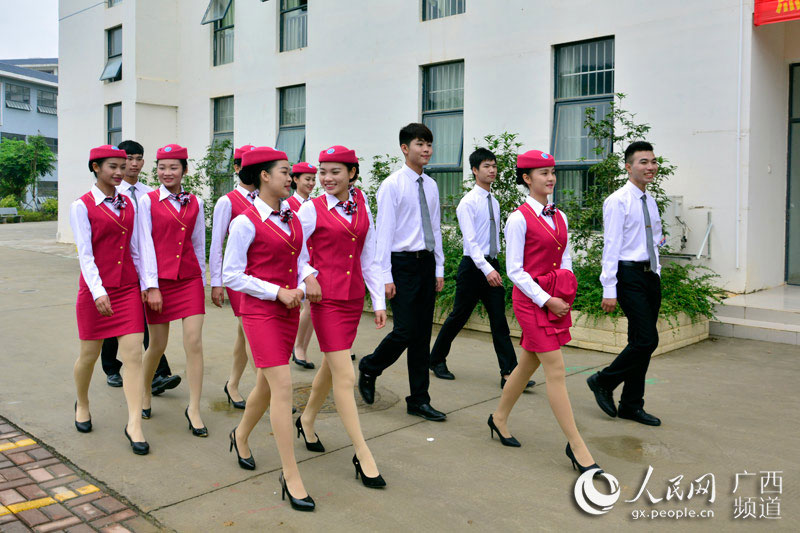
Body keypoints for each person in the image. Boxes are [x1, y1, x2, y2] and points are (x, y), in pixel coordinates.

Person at [488, 149, 602, 477]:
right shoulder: (518, 218)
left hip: (553, 298)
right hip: (530, 301)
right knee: (556, 368)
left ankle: (498, 418)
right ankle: (576, 445)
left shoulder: (560, 216)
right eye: (542, 173)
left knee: (526, 366)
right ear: (526, 179)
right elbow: (515, 271)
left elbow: (565, 259)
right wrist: (545, 299)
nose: (550, 178)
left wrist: (562, 292)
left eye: (552, 172)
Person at [223, 146, 319, 511]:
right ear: (264, 175)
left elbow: (302, 259)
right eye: (283, 171)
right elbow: (232, 275)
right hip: (259, 313)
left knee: (265, 384)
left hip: (288, 309)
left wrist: (308, 278)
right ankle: (291, 475)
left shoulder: (292, 216)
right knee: (282, 385)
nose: (290, 177)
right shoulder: (245, 221)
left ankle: (241, 434)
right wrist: (275, 291)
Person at [295, 145, 386, 488]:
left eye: (335, 171)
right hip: (326, 301)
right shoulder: (310, 210)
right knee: (345, 375)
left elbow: (370, 255)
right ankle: (363, 453)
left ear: (352, 173)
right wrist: (308, 275)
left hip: (352, 300)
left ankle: (306, 419)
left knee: (330, 369)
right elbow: (295, 251)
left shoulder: (362, 205)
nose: (326, 178)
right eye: (322, 172)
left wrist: (378, 301)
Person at [358, 123, 447, 422]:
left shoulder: (432, 186)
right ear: (405, 148)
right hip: (401, 264)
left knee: (422, 336)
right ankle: (370, 367)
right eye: (420, 143)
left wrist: (439, 267)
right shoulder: (392, 184)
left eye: (429, 144)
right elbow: (383, 234)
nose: (426, 149)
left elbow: (434, 227)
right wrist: (385, 276)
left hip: (425, 263)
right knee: (406, 330)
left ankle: (418, 399)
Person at [429, 148, 534, 391]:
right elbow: (471, 242)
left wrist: (495, 266)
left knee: (499, 320)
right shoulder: (468, 203)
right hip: (474, 267)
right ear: (475, 170)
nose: (492, 170)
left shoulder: (494, 202)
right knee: (458, 317)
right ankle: (435, 360)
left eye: (494, 166)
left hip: (491, 265)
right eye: (487, 166)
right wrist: (486, 269)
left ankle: (509, 373)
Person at [70, 144, 149, 455]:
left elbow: (137, 249)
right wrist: (98, 290)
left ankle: (134, 424)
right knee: (89, 355)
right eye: (112, 166)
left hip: (127, 288)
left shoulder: (129, 202)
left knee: (133, 356)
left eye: (122, 165)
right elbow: (85, 255)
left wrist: (147, 283)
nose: (119, 171)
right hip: (95, 290)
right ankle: (83, 401)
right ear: (96, 168)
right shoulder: (82, 205)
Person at [587, 141, 663, 427]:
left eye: (653, 161)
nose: (650, 167)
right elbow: (611, 245)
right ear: (629, 167)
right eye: (643, 162)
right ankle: (602, 381)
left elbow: (655, 239)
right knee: (647, 340)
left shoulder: (650, 201)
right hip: (627, 275)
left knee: (639, 344)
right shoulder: (618, 200)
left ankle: (631, 405)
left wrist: (657, 270)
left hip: (649, 276)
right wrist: (609, 287)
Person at [137, 144, 208, 436]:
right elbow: (143, 245)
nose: (167, 173)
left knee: (194, 342)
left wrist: (203, 279)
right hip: (160, 283)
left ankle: (194, 407)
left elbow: (198, 241)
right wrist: (150, 286)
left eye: (173, 167)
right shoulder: (146, 201)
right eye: (162, 167)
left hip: (189, 279)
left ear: (184, 170)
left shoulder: (196, 202)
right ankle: (143, 391)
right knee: (157, 345)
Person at [102, 139, 180, 396]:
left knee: (140, 318)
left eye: (138, 159)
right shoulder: (112, 191)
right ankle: (112, 367)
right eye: (128, 160)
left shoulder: (149, 193)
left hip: (145, 262)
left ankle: (157, 373)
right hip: (118, 263)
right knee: (116, 318)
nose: (133, 165)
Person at [209, 144, 259, 409]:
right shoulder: (227, 201)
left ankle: (233, 384)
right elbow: (217, 244)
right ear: (236, 167)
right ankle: (272, 389)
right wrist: (216, 283)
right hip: (239, 277)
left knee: (245, 335)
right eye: (242, 163)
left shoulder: (268, 199)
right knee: (254, 335)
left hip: (264, 276)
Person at [287, 162, 318, 370]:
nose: (312, 183)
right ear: (295, 180)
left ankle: (301, 347)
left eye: (313, 179)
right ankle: (298, 347)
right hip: (298, 261)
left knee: (313, 306)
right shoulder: (287, 205)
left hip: (316, 261)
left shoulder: (316, 204)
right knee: (307, 305)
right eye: (307, 179)